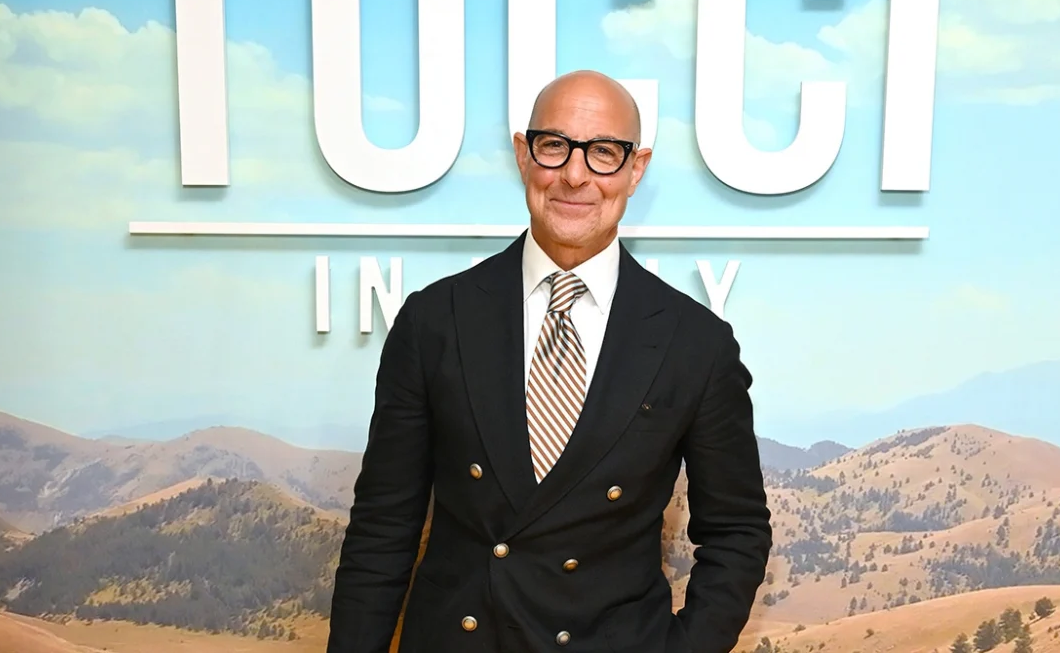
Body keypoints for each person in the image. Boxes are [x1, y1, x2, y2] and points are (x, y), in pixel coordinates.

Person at [327, 70, 772, 653]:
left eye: (604, 152)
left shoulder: (696, 344)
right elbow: (383, 529)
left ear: (636, 169)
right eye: (555, 146)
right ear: (523, 155)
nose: (575, 175)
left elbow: (737, 531)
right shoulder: (434, 321)